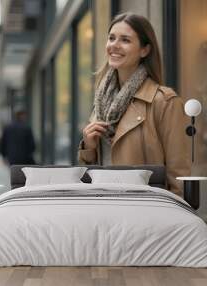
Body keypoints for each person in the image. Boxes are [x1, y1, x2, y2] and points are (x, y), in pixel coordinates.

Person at [78, 13, 191, 196]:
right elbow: (90, 174)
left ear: (145, 50)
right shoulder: (101, 101)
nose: (114, 45)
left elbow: (179, 177)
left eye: (125, 40)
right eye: (112, 38)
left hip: (146, 213)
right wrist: (89, 148)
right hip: (104, 207)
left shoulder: (164, 102)